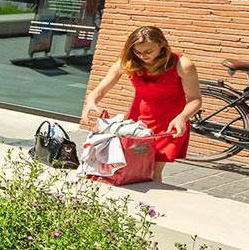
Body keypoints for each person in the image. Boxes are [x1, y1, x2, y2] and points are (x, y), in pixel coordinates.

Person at [83, 26, 202, 181]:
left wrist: (183, 118)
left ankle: (148, 205)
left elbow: (195, 99)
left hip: (169, 123)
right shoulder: (128, 61)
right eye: (138, 52)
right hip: (137, 121)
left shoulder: (183, 64)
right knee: (126, 167)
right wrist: (91, 103)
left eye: (148, 51)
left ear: (162, 45)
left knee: (151, 172)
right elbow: (100, 90)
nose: (142, 56)